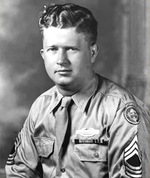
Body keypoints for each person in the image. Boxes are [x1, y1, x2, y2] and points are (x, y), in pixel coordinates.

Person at [5, 3, 150, 178]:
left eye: (71, 49)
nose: (61, 60)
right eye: (53, 49)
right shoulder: (40, 107)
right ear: (43, 54)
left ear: (93, 52)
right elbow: (19, 173)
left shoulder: (121, 111)